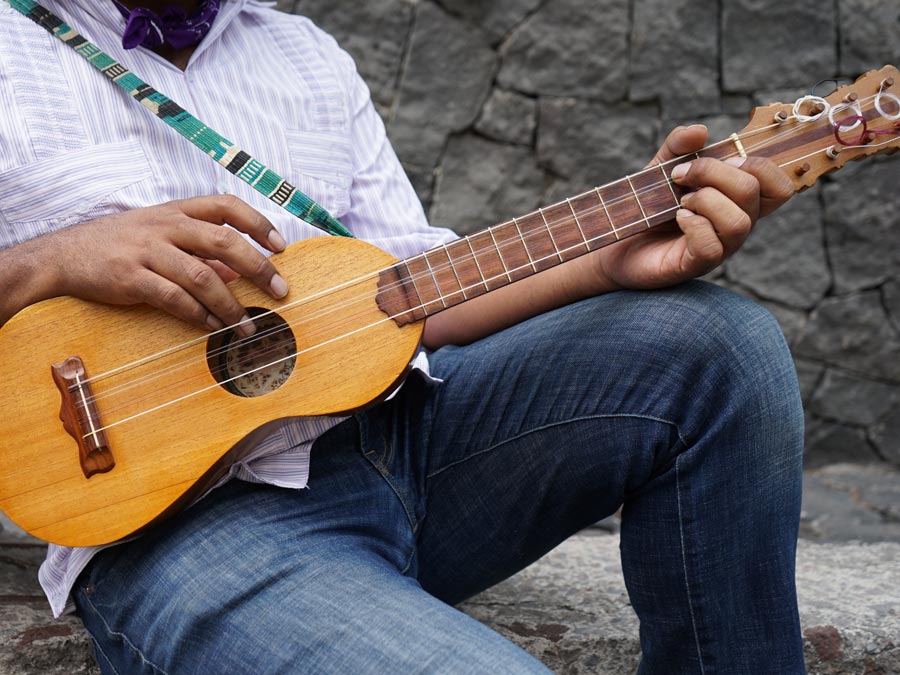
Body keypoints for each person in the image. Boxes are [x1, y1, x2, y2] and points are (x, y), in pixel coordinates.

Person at [0, 1, 805, 672]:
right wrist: (45, 262)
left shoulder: (303, 54)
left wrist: (609, 258)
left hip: (415, 453)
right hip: (192, 534)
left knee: (718, 344)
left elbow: (407, 295)